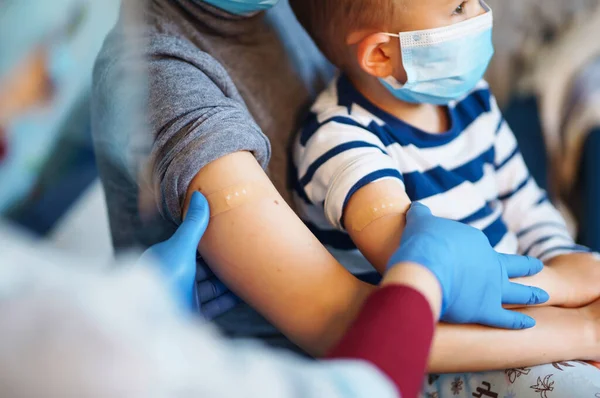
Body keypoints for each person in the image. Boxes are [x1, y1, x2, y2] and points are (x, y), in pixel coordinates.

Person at [92, 1, 600, 395]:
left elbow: (520, 198)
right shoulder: (161, 77)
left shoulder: (285, 13)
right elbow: (339, 320)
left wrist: (567, 270)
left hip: (449, 307)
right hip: (324, 367)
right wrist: (578, 324)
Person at [0, 194, 550, 398]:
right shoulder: (51, 338)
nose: (48, 82)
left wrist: (140, 303)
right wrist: (424, 277)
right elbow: (349, 375)